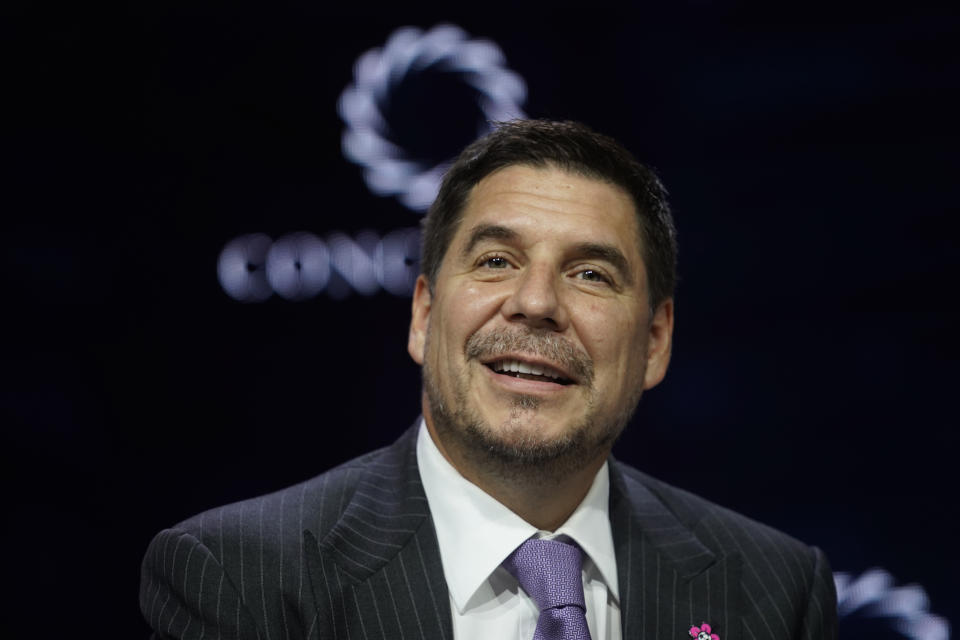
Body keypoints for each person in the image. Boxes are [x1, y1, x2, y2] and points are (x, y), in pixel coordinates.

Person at [140, 120, 838, 639]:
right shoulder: (239, 578)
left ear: (655, 343)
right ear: (424, 315)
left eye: (590, 274)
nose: (535, 303)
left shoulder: (774, 592)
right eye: (497, 261)